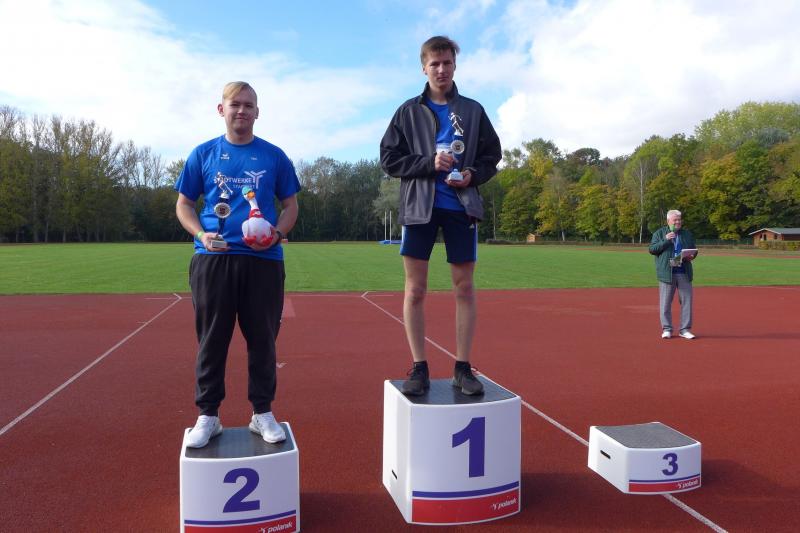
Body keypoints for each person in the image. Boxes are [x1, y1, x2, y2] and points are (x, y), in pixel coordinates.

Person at [175, 81, 300, 447]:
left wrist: (277, 233)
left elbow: (291, 206)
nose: (242, 110)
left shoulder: (274, 156)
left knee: (263, 340)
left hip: (264, 261)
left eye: (248, 105)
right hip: (214, 259)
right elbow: (184, 205)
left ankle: (262, 412)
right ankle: (208, 415)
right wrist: (201, 235)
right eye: (235, 104)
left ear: (257, 112)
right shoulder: (203, 154)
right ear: (222, 110)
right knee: (211, 340)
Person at [379, 36, 502, 396]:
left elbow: (492, 157)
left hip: (461, 207)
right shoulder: (407, 111)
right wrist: (427, 163)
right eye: (435, 64)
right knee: (415, 289)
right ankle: (419, 367)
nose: (441, 69)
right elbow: (389, 159)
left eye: (447, 63)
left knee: (464, 287)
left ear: (454, 65)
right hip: (419, 208)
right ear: (424, 68)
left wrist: (472, 175)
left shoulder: (473, 110)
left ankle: (462, 368)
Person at [648, 209, 698, 340]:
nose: (678, 222)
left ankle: (685, 330)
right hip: (667, 273)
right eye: (675, 220)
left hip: (684, 272)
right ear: (668, 221)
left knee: (686, 302)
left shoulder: (686, 234)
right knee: (665, 303)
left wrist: (692, 255)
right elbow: (652, 249)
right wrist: (665, 240)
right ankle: (667, 329)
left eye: (679, 219)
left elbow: (694, 249)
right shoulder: (659, 233)